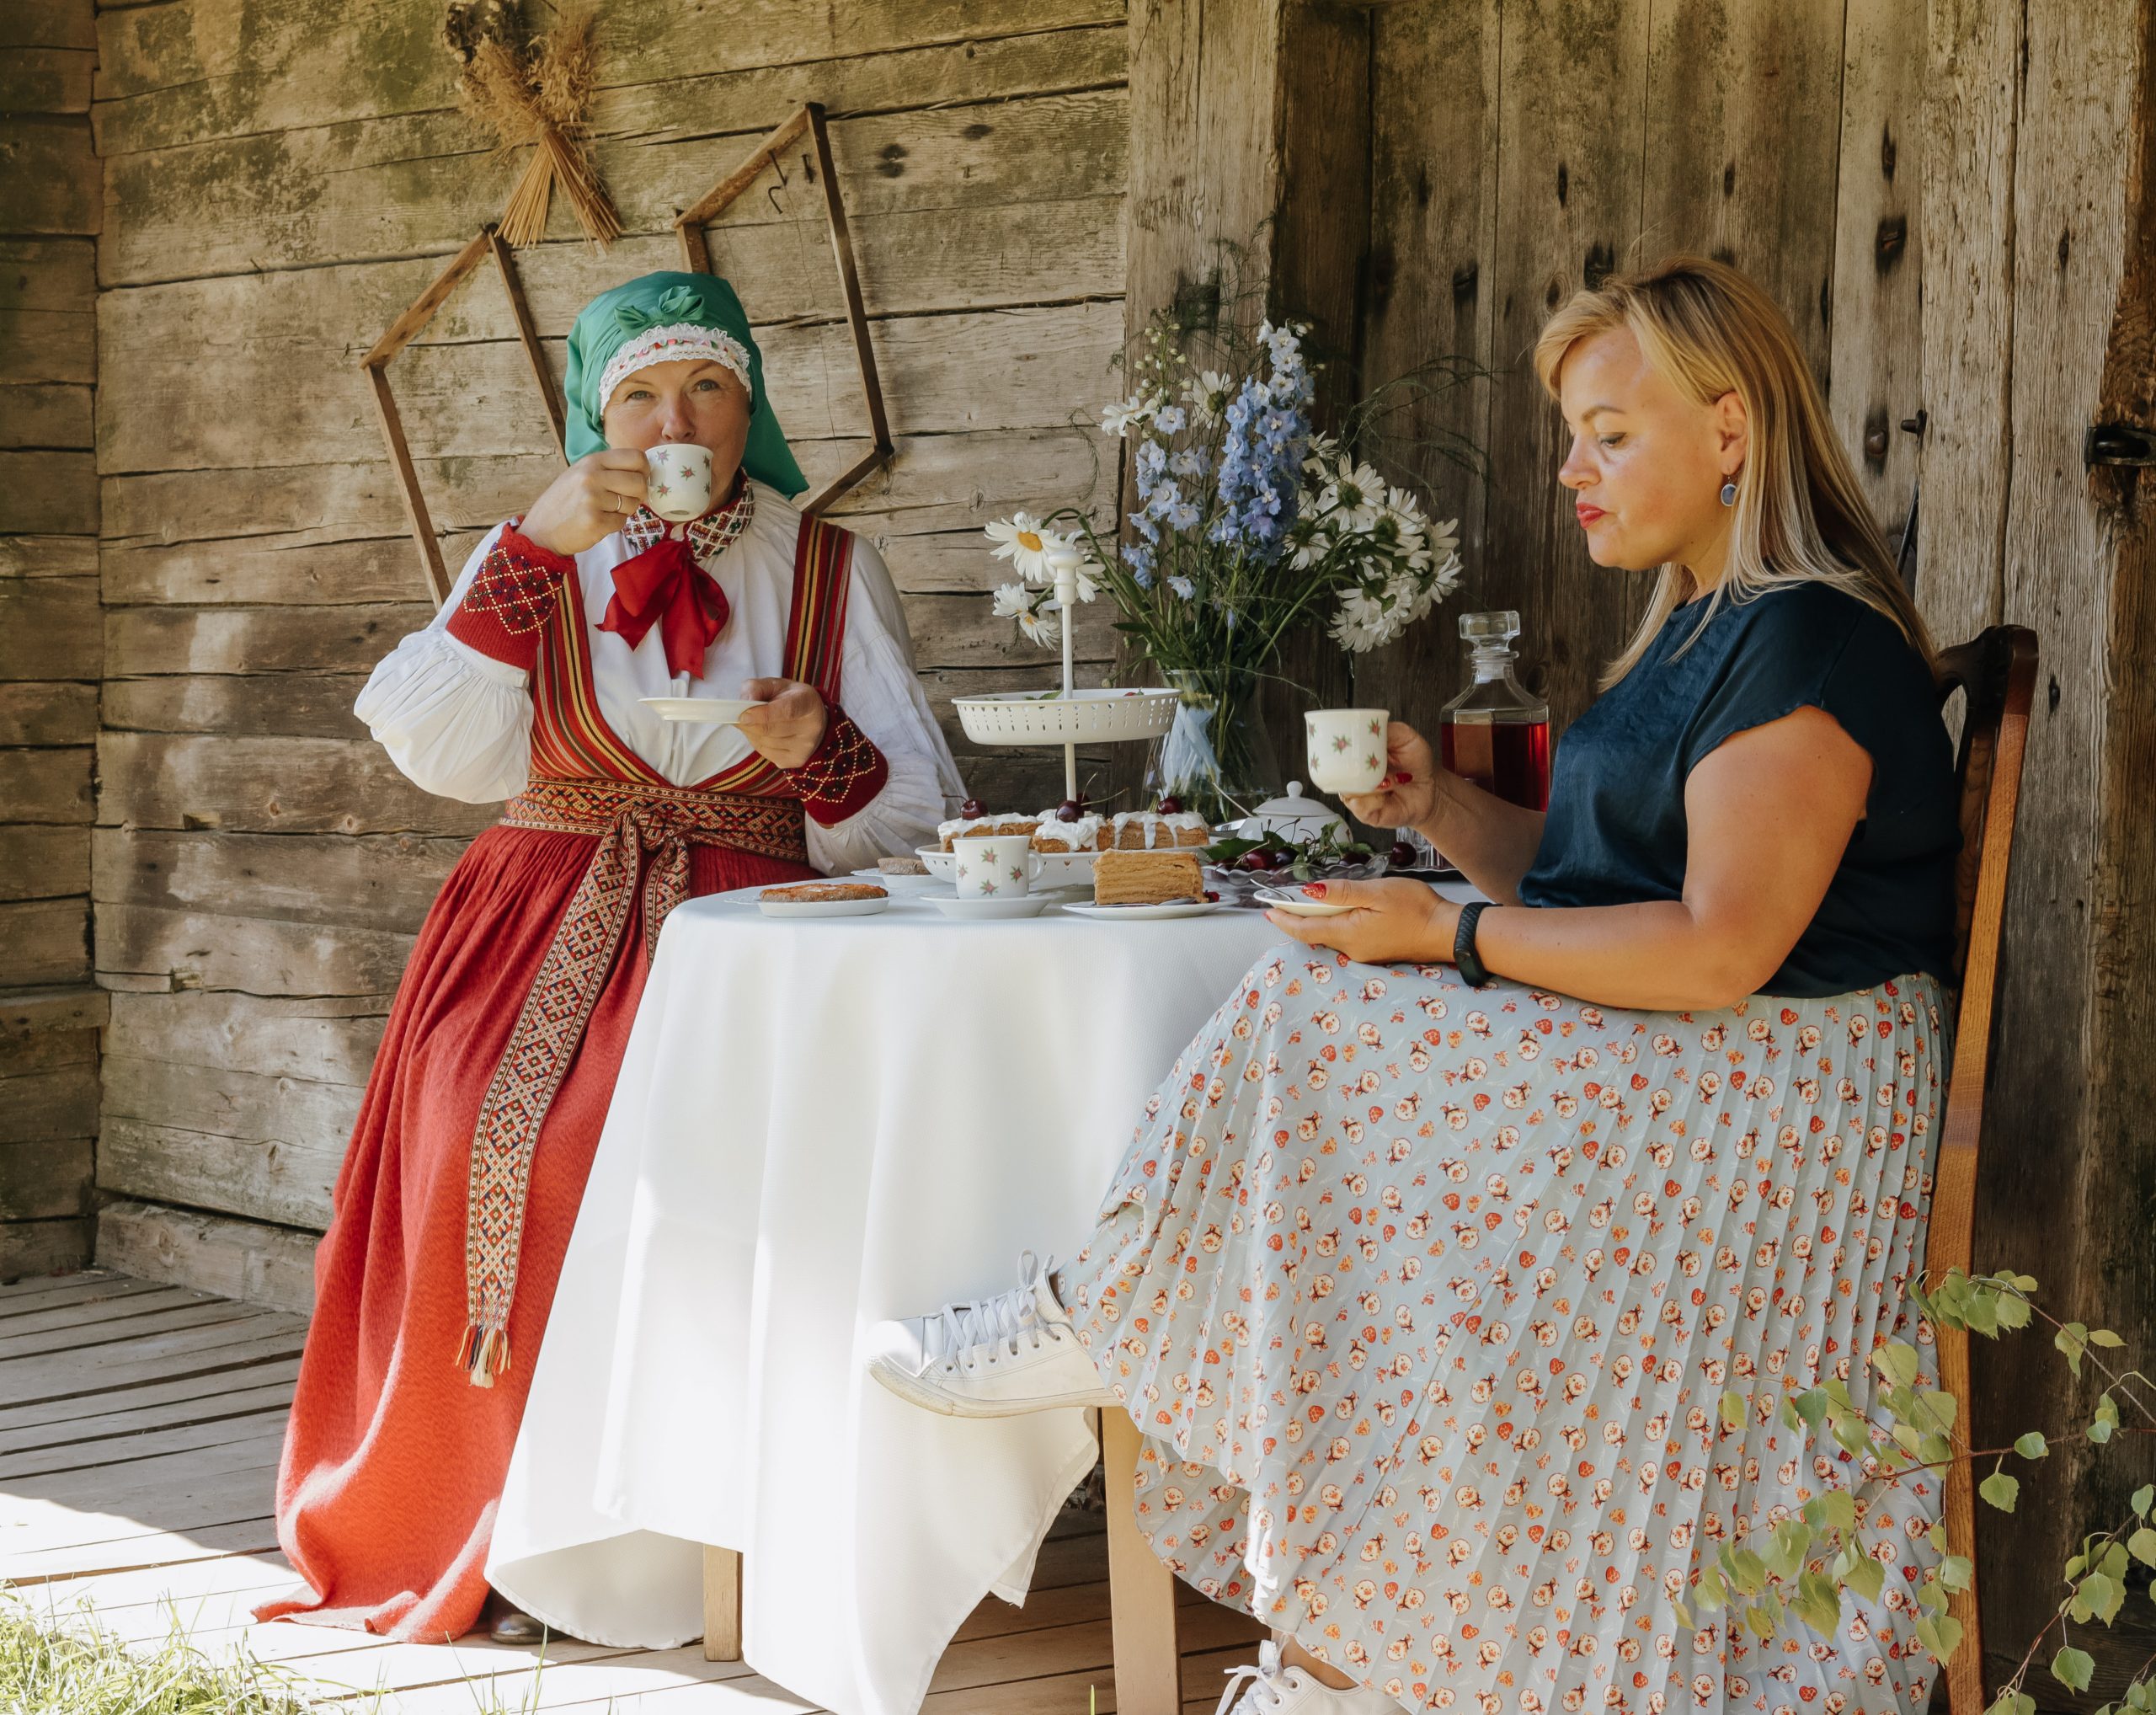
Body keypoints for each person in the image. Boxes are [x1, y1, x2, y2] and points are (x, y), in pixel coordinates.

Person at [868, 256, 1960, 1715]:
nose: (1571, 472)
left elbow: (1718, 946)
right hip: (1698, 1052)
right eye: (1570, 437)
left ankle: (1114, 1319)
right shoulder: (1701, 625)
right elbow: (1592, 889)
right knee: (1324, 1035)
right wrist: (1439, 810)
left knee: (1317, 1016)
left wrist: (1442, 936)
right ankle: (1335, 1636)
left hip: (1788, 1087)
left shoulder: (1806, 637)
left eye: (1608, 434)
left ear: (1730, 430)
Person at [259, 271, 963, 1643]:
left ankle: (676, 1550)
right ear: (597, 414)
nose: (672, 423)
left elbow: (918, 826)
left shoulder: (828, 565)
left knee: (691, 1167)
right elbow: (429, 742)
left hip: (754, 936)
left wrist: (818, 751)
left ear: (748, 409)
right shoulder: (535, 547)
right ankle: (493, 1526)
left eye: (704, 389)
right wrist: (533, 549)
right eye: (638, 395)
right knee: (494, 1142)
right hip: (541, 911)